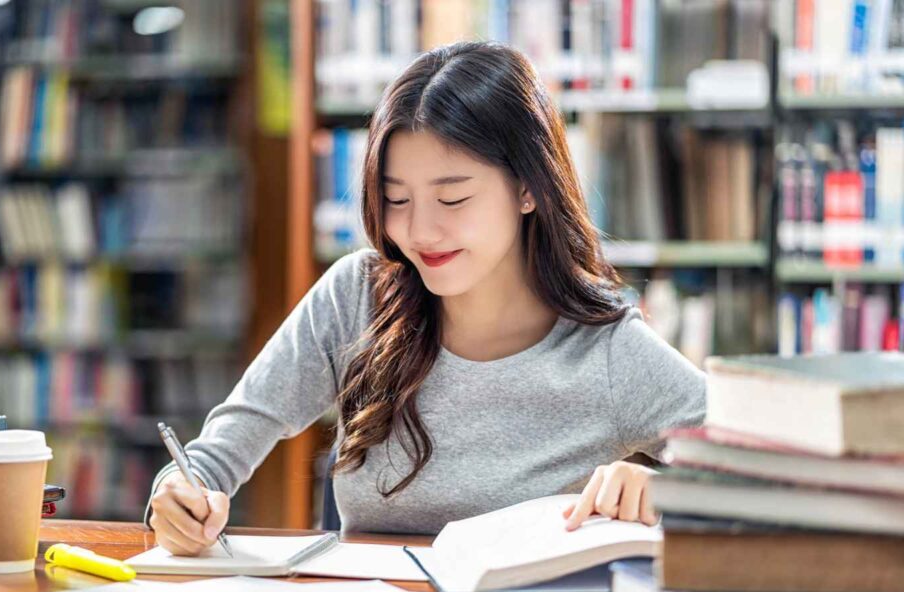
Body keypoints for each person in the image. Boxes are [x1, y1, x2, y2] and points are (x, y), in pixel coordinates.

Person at [146, 41, 705, 556]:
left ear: (530, 189)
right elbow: (211, 459)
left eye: (453, 198)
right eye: (396, 199)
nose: (420, 232)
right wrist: (178, 495)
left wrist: (667, 489)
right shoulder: (355, 298)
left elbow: (769, 479)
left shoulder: (607, 350)